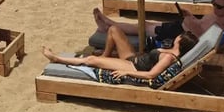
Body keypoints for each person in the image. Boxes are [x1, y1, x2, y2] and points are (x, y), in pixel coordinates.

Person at [42, 30, 197, 82]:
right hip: (133, 57)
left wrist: (127, 72)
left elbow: (151, 74)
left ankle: (56, 58)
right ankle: (105, 56)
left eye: (180, 35)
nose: (178, 35)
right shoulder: (171, 51)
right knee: (114, 30)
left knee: (90, 59)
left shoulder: (170, 58)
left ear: (181, 41)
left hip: (132, 66)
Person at [92, 0, 224, 42]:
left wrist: (190, 21)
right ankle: (109, 24)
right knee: (146, 23)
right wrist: (190, 16)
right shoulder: (216, 15)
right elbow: (201, 24)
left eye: (219, 6)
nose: (215, 7)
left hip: (179, 35)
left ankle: (108, 25)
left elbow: (202, 37)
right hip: (180, 27)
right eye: (214, 3)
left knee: (144, 28)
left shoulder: (222, 23)